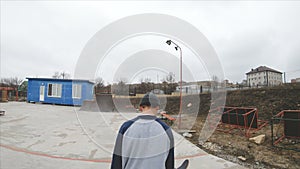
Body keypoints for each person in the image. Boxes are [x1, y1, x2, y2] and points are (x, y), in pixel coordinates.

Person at [111, 92, 174, 169]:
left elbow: (117, 162)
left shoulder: (126, 127)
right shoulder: (166, 129)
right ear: (157, 107)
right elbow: (169, 164)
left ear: (141, 107)